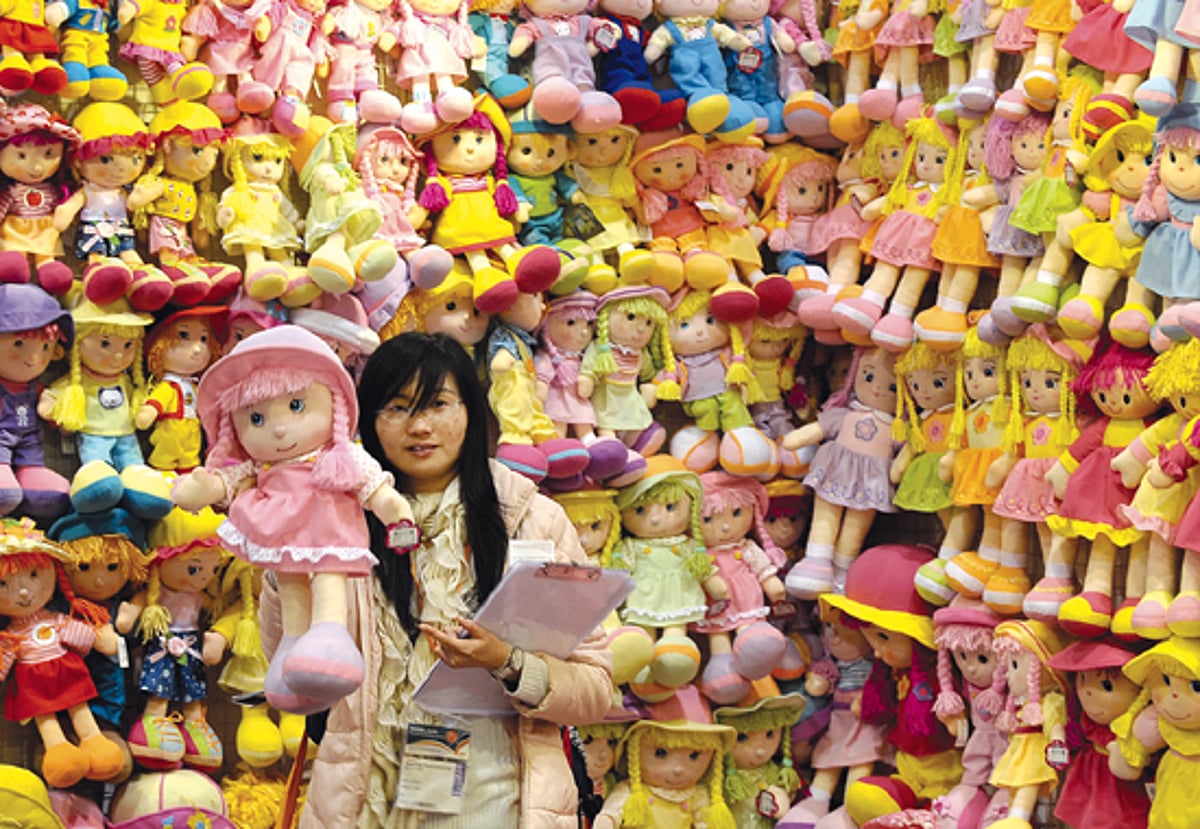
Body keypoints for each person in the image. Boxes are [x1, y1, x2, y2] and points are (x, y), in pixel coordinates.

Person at [259, 331, 614, 828]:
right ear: (367, 421)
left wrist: (508, 664)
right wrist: (288, 554)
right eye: (398, 408)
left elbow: (596, 689)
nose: (420, 426)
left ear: (472, 411)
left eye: (439, 404)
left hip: (495, 798)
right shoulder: (336, 525)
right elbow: (290, 671)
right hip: (364, 798)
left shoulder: (532, 519)